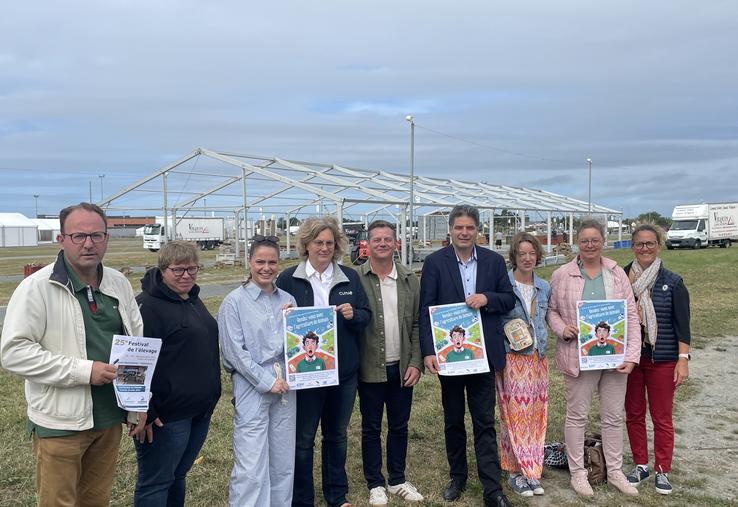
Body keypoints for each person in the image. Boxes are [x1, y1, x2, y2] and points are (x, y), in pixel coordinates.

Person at [0, 202, 147, 507]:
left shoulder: (118, 283)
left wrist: (138, 404)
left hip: (108, 421)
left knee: (95, 500)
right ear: (62, 240)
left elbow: (137, 347)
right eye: (79, 236)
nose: (89, 244)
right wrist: (84, 371)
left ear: (107, 238)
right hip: (60, 424)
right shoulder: (37, 288)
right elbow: (14, 353)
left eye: (96, 235)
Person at [419, 204, 515, 507]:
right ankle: (457, 476)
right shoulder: (435, 262)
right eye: (459, 227)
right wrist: (427, 352)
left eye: (469, 228)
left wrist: (487, 298)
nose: (464, 232)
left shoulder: (493, 261)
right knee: (453, 420)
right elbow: (426, 310)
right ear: (450, 230)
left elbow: (508, 299)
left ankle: (491, 488)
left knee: (484, 421)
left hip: (483, 355)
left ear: (477, 231)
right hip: (450, 355)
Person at [276, 216, 371, 507]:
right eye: (318, 242)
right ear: (306, 245)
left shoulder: (349, 277)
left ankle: (336, 495)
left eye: (330, 242)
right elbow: (273, 323)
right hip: (305, 375)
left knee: (337, 436)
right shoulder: (288, 278)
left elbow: (366, 316)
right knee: (303, 439)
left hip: (342, 374)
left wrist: (353, 315)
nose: (324, 248)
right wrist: (283, 315)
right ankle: (302, 499)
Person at [547, 219, 641, 497]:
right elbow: (551, 311)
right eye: (585, 240)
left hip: (614, 357)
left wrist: (632, 355)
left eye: (595, 240)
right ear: (578, 242)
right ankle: (578, 472)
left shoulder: (615, 273)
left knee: (613, 417)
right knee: (577, 416)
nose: (590, 245)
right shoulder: (562, 274)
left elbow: (631, 316)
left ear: (603, 241)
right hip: (579, 357)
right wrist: (562, 329)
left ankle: (615, 471)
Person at [134, 241, 221, 506]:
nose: (186, 276)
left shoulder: (191, 299)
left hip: (198, 410)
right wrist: (143, 408)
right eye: (178, 270)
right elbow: (133, 362)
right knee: (156, 483)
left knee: (178, 475)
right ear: (162, 270)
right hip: (166, 417)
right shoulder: (147, 307)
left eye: (192, 269)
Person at [218, 235, 298, 506]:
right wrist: (266, 380)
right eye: (260, 261)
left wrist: (293, 322)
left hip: (286, 382)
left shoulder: (287, 299)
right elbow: (234, 353)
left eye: (272, 262)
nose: (266, 268)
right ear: (249, 262)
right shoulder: (234, 302)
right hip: (252, 383)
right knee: (251, 462)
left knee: (282, 458)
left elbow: (299, 345)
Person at [357, 220, 424, 505]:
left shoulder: (409, 279)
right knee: (371, 426)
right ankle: (375, 483)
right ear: (368, 244)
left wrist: (416, 362)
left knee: (399, 425)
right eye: (377, 239)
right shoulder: (354, 278)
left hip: (401, 365)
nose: (382, 244)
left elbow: (418, 324)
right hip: (369, 364)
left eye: (388, 239)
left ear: (396, 244)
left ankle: (397, 479)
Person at [624, 224, 691, 495]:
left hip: (662, 358)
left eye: (650, 243)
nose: (645, 249)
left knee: (662, 417)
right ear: (633, 247)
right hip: (632, 359)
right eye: (640, 244)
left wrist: (682, 358)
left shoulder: (673, 282)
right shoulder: (621, 279)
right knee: (634, 414)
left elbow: (682, 324)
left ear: (659, 246)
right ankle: (641, 463)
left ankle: (663, 468)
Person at [496, 232, 550, 497]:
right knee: (514, 416)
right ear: (514, 256)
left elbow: (549, 317)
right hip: (513, 358)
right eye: (522, 254)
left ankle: (532, 469)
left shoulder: (544, 286)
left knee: (535, 416)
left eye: (532, 253)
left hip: (538, 359)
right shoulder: (503, 285)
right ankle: (515, 471)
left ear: (538, 256)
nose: (527, 258)